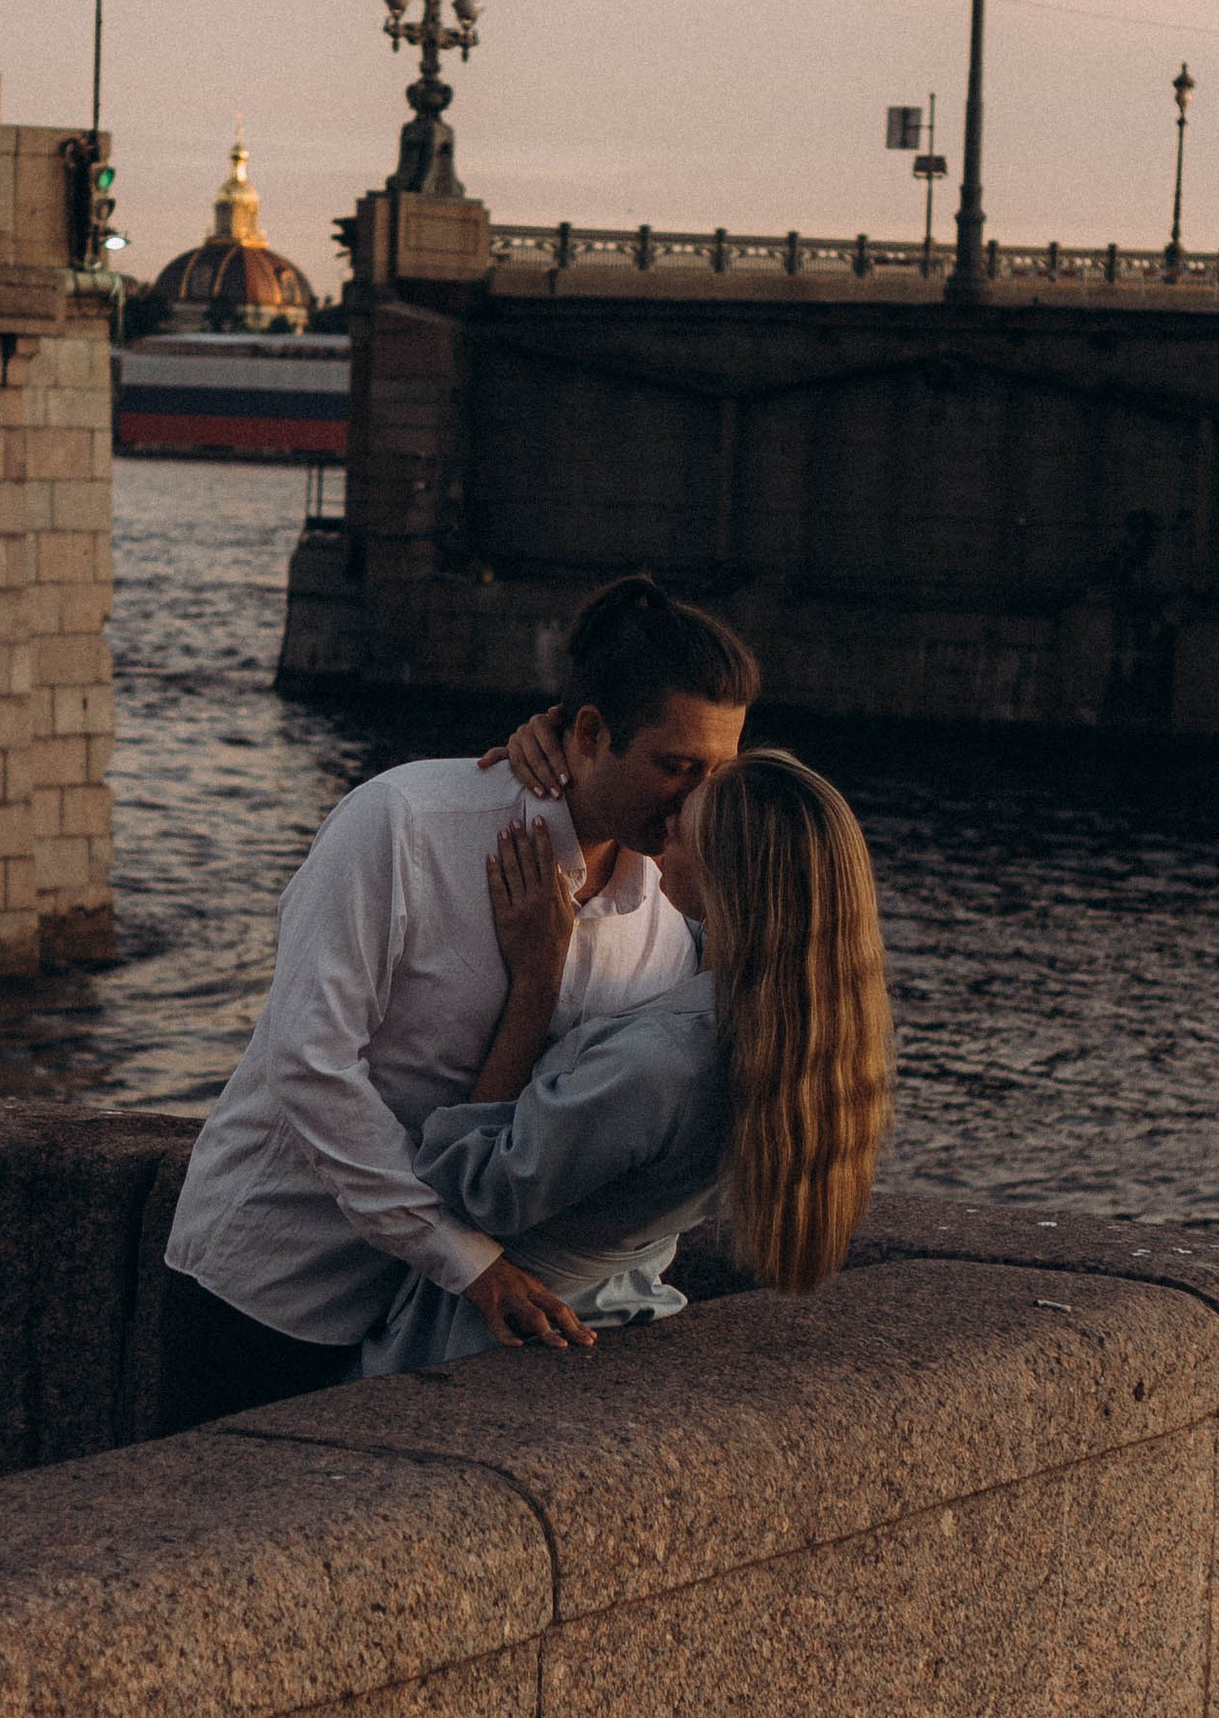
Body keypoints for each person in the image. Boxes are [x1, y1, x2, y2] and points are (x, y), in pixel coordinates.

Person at [152, 574, 758, 1430]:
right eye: (677, 767)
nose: (698, 801)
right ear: (588, 734)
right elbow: (309, 1062)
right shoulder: (406, 822)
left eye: (719, 773)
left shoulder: (667, 914)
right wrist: (465, 1260)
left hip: (440, 1327)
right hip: (280, 1283)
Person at [359, 750, 895, 1374]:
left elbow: (471, 1186)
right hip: (622, 1313)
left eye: (682, 831)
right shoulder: (799, 1032)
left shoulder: (658, 1064)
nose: (663, 828)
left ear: (727, 875)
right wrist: (570, 743)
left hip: (500, 1340)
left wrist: (536, 984)